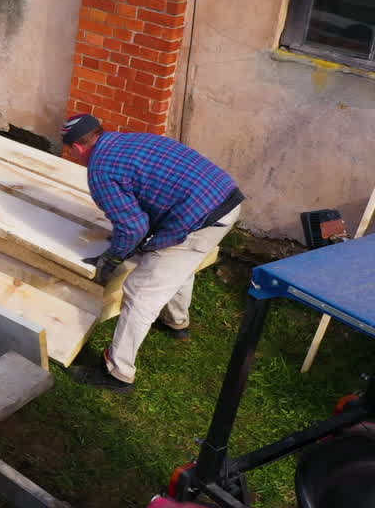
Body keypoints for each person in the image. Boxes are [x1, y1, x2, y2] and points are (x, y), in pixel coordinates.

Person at [61, 113, 244, 393]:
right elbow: (147, 202)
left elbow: (134, 227)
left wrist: (111, 258)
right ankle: (176, 322)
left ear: (76, 148)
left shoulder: (100, 171)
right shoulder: (129, 140)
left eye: (71, 152)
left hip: (198, 218)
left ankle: (118, 373)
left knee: (141, 291)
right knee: (176, 263)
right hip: (223, 198)